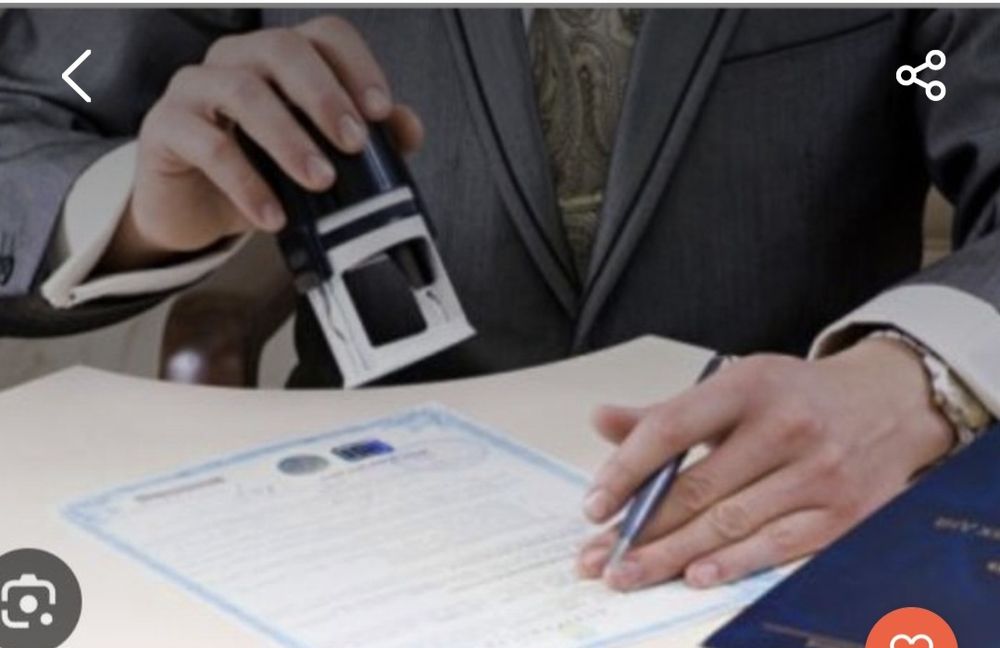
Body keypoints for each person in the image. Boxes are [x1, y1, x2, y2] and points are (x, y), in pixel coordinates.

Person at [1, 8, 998, 592]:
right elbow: (28, 118)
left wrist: (918, 379)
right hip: (362, 526)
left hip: (798, 522)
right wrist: (136, 208)